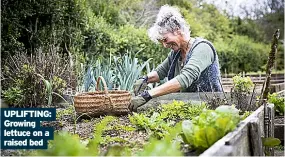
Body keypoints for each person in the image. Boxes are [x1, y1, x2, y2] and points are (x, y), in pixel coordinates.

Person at [129, 5, 222, 112]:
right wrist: (145, 79)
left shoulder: (202, 48)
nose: (165, 45)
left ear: (177, 30)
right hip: (190, 106)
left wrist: (148, 95)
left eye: (165, 39)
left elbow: (185, 78)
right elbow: (160, 72)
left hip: (211, 107)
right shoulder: (176, 52)